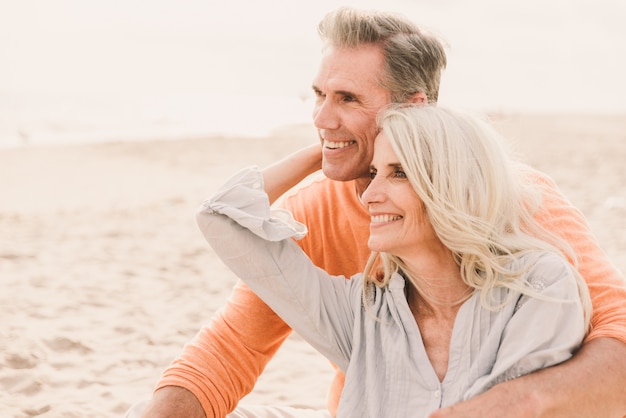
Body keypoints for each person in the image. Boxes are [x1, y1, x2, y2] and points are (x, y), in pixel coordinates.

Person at [132, 6, 626, 418]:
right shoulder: (316, 212)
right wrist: (330, 152)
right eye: (319, 96)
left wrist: (501, 407)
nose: (322, 117)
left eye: (347, 98)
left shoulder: (521, 205)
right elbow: (230, 350)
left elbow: (618, 342)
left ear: (413, 110)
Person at [195, 104, 591, 417]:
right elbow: (222, 217)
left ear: (451, 185)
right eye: (372, 172)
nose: (369, 196)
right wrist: (335, 148)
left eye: (398, 173)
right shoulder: (361, 311)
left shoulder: (536, 287)